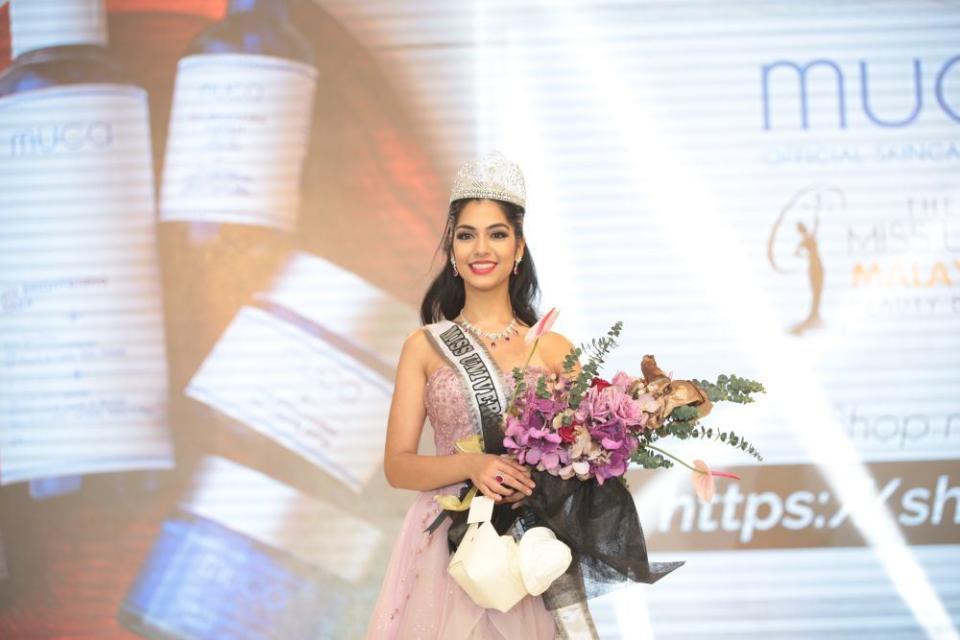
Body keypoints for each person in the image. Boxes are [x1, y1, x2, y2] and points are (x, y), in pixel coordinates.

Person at [366, 152, 595, 639]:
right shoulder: (425, 345)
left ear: (518, 248)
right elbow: (398, 465)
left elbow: (587, 456)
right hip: (447, 544)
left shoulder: (554, 349)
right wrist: (471, 466)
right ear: (452, 249)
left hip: (529, 543)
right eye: (466, 234)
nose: (480, 247)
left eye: (497, 233)